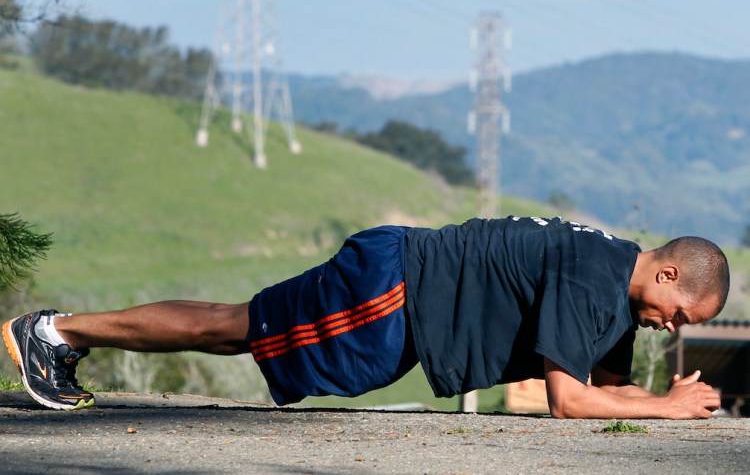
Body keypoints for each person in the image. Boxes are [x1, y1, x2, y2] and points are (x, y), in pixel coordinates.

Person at [2, 215, 729, 418]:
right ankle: (53, 332)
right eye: (679, 311)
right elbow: (570, 402)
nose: (674, 326)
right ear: (667, 271)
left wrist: (669, 403)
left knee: (237, 329)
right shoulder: (593, 276)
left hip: (398, 294)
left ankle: (61, 336)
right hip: (390, 289)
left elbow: (607, 392)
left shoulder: (617, 296)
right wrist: (666, 409)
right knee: (233, 328)